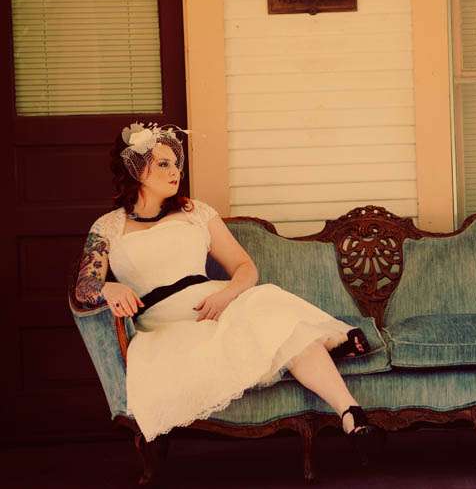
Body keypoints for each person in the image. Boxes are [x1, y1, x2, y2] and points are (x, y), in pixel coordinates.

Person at [74, 121, 383, 462]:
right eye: (163, 163)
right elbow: (84, 287)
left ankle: (353, 417)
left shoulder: (195, 212)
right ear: (136, 169)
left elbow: (245, 267)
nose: (175, 171)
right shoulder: (108, 227)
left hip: (218, 304)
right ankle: (332, 343)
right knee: (283, 330)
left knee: (276, 313)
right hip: (166, 324)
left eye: (176, 163)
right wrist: (108, 286)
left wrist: (227, 295)